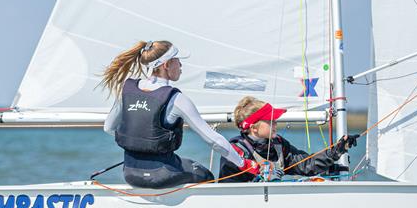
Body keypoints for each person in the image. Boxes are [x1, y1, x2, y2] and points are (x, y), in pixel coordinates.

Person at [101, 40, 259, 188]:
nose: (181, 65)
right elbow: (214, 140)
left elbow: (108, 127)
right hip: (161, 175)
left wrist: (139, 142)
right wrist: (243, 163)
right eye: (177, 60)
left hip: (130, 173)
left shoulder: (127, 89)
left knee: (184, 164)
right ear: (166, 64)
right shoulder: (176, 99)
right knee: (206, 175)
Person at [218, 96, 359, 183]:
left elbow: (306, 164)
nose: (276, 124)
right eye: (270, 121)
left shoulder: (278, 145)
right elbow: (229, 189)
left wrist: (336, 151)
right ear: (254, 128)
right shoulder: (236, 150)